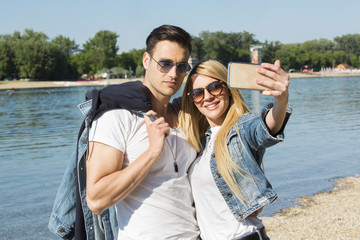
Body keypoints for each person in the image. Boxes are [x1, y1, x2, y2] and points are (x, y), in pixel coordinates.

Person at [85, 25, 199, 239]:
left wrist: (280, 103)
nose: (173, 74)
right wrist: (152, 152)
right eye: (165, 64)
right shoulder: (117, 116)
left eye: (182, 66)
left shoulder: (185, 116)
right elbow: (96, 200)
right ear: (146, 60)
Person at [179, 59, 292, 240]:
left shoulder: (242, 128)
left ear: (228, 88)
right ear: (192, 100)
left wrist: (281, 100)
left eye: (215, 87)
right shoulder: (200, 142)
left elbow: (267, 127)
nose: (207, 97)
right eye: (198, 93)